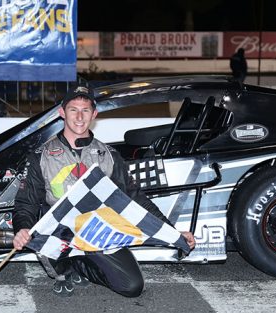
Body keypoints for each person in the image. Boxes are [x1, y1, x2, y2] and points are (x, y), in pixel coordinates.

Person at [12, 85, 195, 297]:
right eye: (73, 110)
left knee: (132, 287)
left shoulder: (109, 155)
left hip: (98, 232)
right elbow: (26, 203)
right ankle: (64, 265)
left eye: (85, 110)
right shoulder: (40, 156)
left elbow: (135, 199)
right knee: (46, 236)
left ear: (94, 114)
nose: (79, 117)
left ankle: (80, 264)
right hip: (60, 233)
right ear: (62, 113)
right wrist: (23, 229)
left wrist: (173, 232)